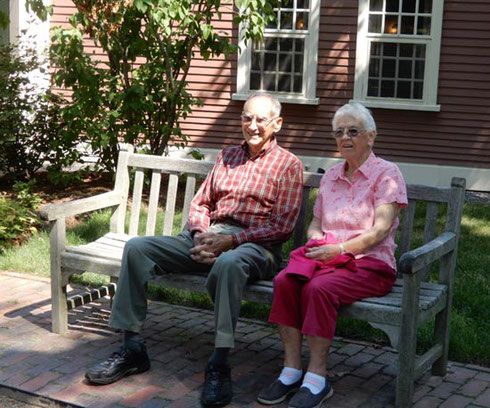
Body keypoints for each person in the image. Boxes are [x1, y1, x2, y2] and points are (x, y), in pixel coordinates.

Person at [85, 93, 304, 407]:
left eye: (260, 119)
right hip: (208, 239)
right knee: (137, 248)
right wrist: (202, 235)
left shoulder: (289, 165)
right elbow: (201, 203)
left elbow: (282, 227)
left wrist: (230, 242)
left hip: (256, 247)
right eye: (246, 117)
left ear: (277, 124)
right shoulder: (227, 156)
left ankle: (219, 362)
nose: (252, 125)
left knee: (228, 263)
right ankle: (132, 349)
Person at [257, 102, 407, 408]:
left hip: (370, 264)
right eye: (339, 133)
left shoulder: (387, 174)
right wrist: (315, 239)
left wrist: (338, 248)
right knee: (285, 281)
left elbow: (379, 231)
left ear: (371, 136)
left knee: (317, 289)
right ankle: (290, 370)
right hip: (328, 259)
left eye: (353, 131)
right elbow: (316, 222)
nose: (345, 138)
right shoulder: (332, 175)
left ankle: (317, 378)